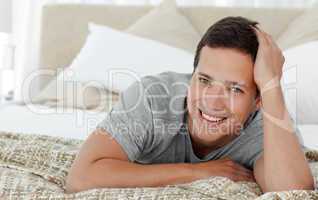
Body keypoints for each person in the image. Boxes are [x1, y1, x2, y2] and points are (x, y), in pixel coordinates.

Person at [65, 16, 314, 193]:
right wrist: (197, 172)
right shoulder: (151, 99)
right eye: (204, 80)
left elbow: (293, 192)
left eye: (235, 89)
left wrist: (271, 84)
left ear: (258, 100)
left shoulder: (270, 127)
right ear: (192, 75)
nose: (212, 101)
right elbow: (81, 177)